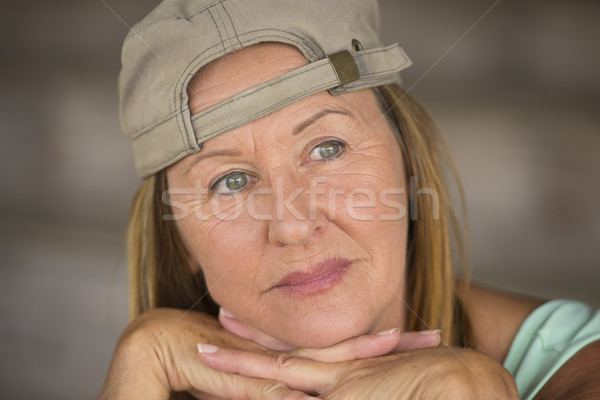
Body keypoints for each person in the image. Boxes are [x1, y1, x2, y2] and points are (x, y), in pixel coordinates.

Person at [101, 0, 600, 399]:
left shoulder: (581, 370)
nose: (293, 225)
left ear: (406, 165)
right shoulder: (151, 382)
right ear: (180, 238)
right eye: (230, 181)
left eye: (327, 148)